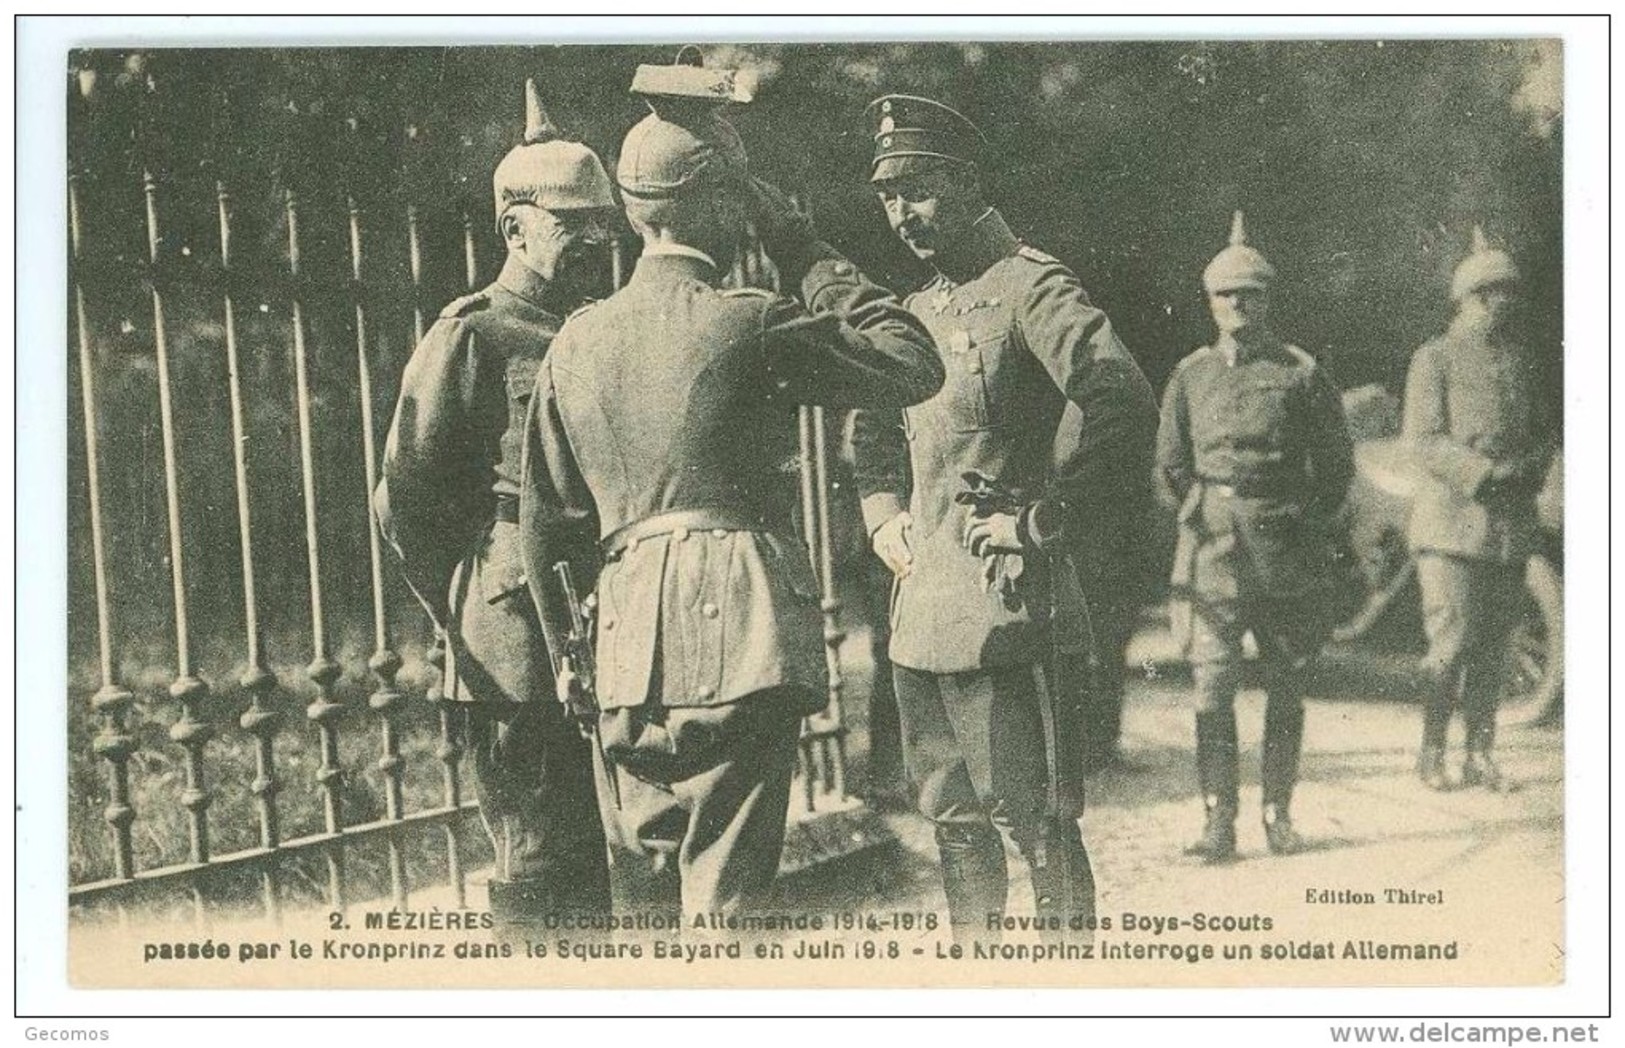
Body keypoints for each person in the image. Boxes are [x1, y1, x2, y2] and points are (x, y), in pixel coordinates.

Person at [519, 83, 942, 921]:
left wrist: (573, 654)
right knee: (728, 901)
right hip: (739, 628)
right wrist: (798, 243)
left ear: (635, 213)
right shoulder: (748, 320)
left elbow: (546, 524)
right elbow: (910, 360)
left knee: (646, 896)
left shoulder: (574, 339)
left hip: (623, 642)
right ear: (720, 204)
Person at [850, 94, 1158, 944]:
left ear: (965, 181)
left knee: (1035, 818)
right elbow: (873, 425)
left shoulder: (1030, 286)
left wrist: (1041, 519)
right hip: (923, 611)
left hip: (1011, 607)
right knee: (950, 816)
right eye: (887, 195)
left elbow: (1120, 402)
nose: (900, 213)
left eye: (917, 190)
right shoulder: (911, 310)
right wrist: (882, 516)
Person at [373, 82, 614, 935]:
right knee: (541, 858)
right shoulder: (470, 335)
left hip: (613, 621)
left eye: (603, 223)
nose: (594, 240)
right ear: (513, 228)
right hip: (513, 644)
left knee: (617, 856)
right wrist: (471, 606)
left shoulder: (603, 329)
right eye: (569, 222)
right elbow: (406, 499)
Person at [1154, 212, 1354, 861]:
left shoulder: (1299, 372)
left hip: (1284, 553)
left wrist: (1303, 521)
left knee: (1285, 681)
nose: (1236, 305)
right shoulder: (1189, 376)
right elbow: (1169, 463)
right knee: (1211, 684)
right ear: (1209, 303)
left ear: (1267, 299)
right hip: (1212, 551)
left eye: (1249, 294)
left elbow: (1335, 466)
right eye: (1224, 295)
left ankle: (1278, 813)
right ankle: (1218, 821)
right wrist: (1196, 510)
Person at [1403, 228, 1554, 792]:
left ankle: (1480, 753)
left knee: (1496, 646)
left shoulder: (1524, 363)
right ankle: (1432, 751)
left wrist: (1531, 468)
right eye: (1492, 293)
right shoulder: (1434, 359)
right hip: (1450, 529)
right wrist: (1485, 473)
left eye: (1509, 292)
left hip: (1510, 527)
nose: (1504, 303)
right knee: (1450, 644)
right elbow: (1424, 440)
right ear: (1465, 299)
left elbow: (1545, 434)